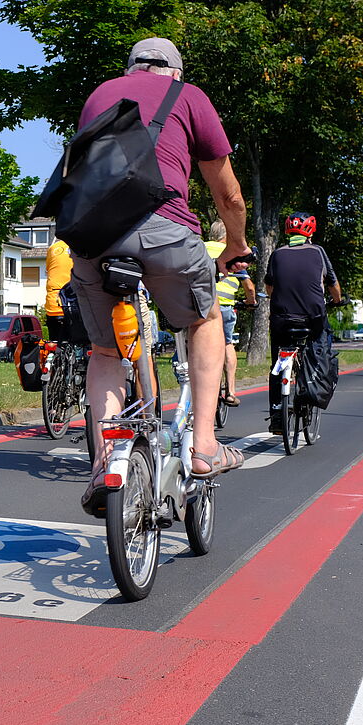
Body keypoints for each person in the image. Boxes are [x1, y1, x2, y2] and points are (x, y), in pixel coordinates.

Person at [70, 37, 249, 492]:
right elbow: (227, 194)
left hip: (94, 236)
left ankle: (104, 469)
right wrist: (234, 244)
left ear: (130, 69)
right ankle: (205, 445)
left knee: (107, 351)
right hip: (165, 229)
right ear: (175, 72)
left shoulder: (99, 94)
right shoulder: (188, 97)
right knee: (205, 320)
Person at [263, 212, 342, 432]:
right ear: (310, 232)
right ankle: (312, 388)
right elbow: (333, 285)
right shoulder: (318, 252)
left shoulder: (277, 254)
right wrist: (337, 300)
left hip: (282, 319)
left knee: (277, 364)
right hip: (313, 318)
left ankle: (277, 413)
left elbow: (269, 287)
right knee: (320, 348)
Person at [205, 220, 257, 406]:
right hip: (224, 307)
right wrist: (251, 302)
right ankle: (230, 391)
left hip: (200, 306)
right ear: (226, 236)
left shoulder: (200, 248)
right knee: (227, 343)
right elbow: (249, 287)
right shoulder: (229, 253)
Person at [44, 237, 72, 342]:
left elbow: (48, 269)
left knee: (54, 342)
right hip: (71, 305)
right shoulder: (78, 247)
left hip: (52, 305)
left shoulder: (52, 248)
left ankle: (53, 354)